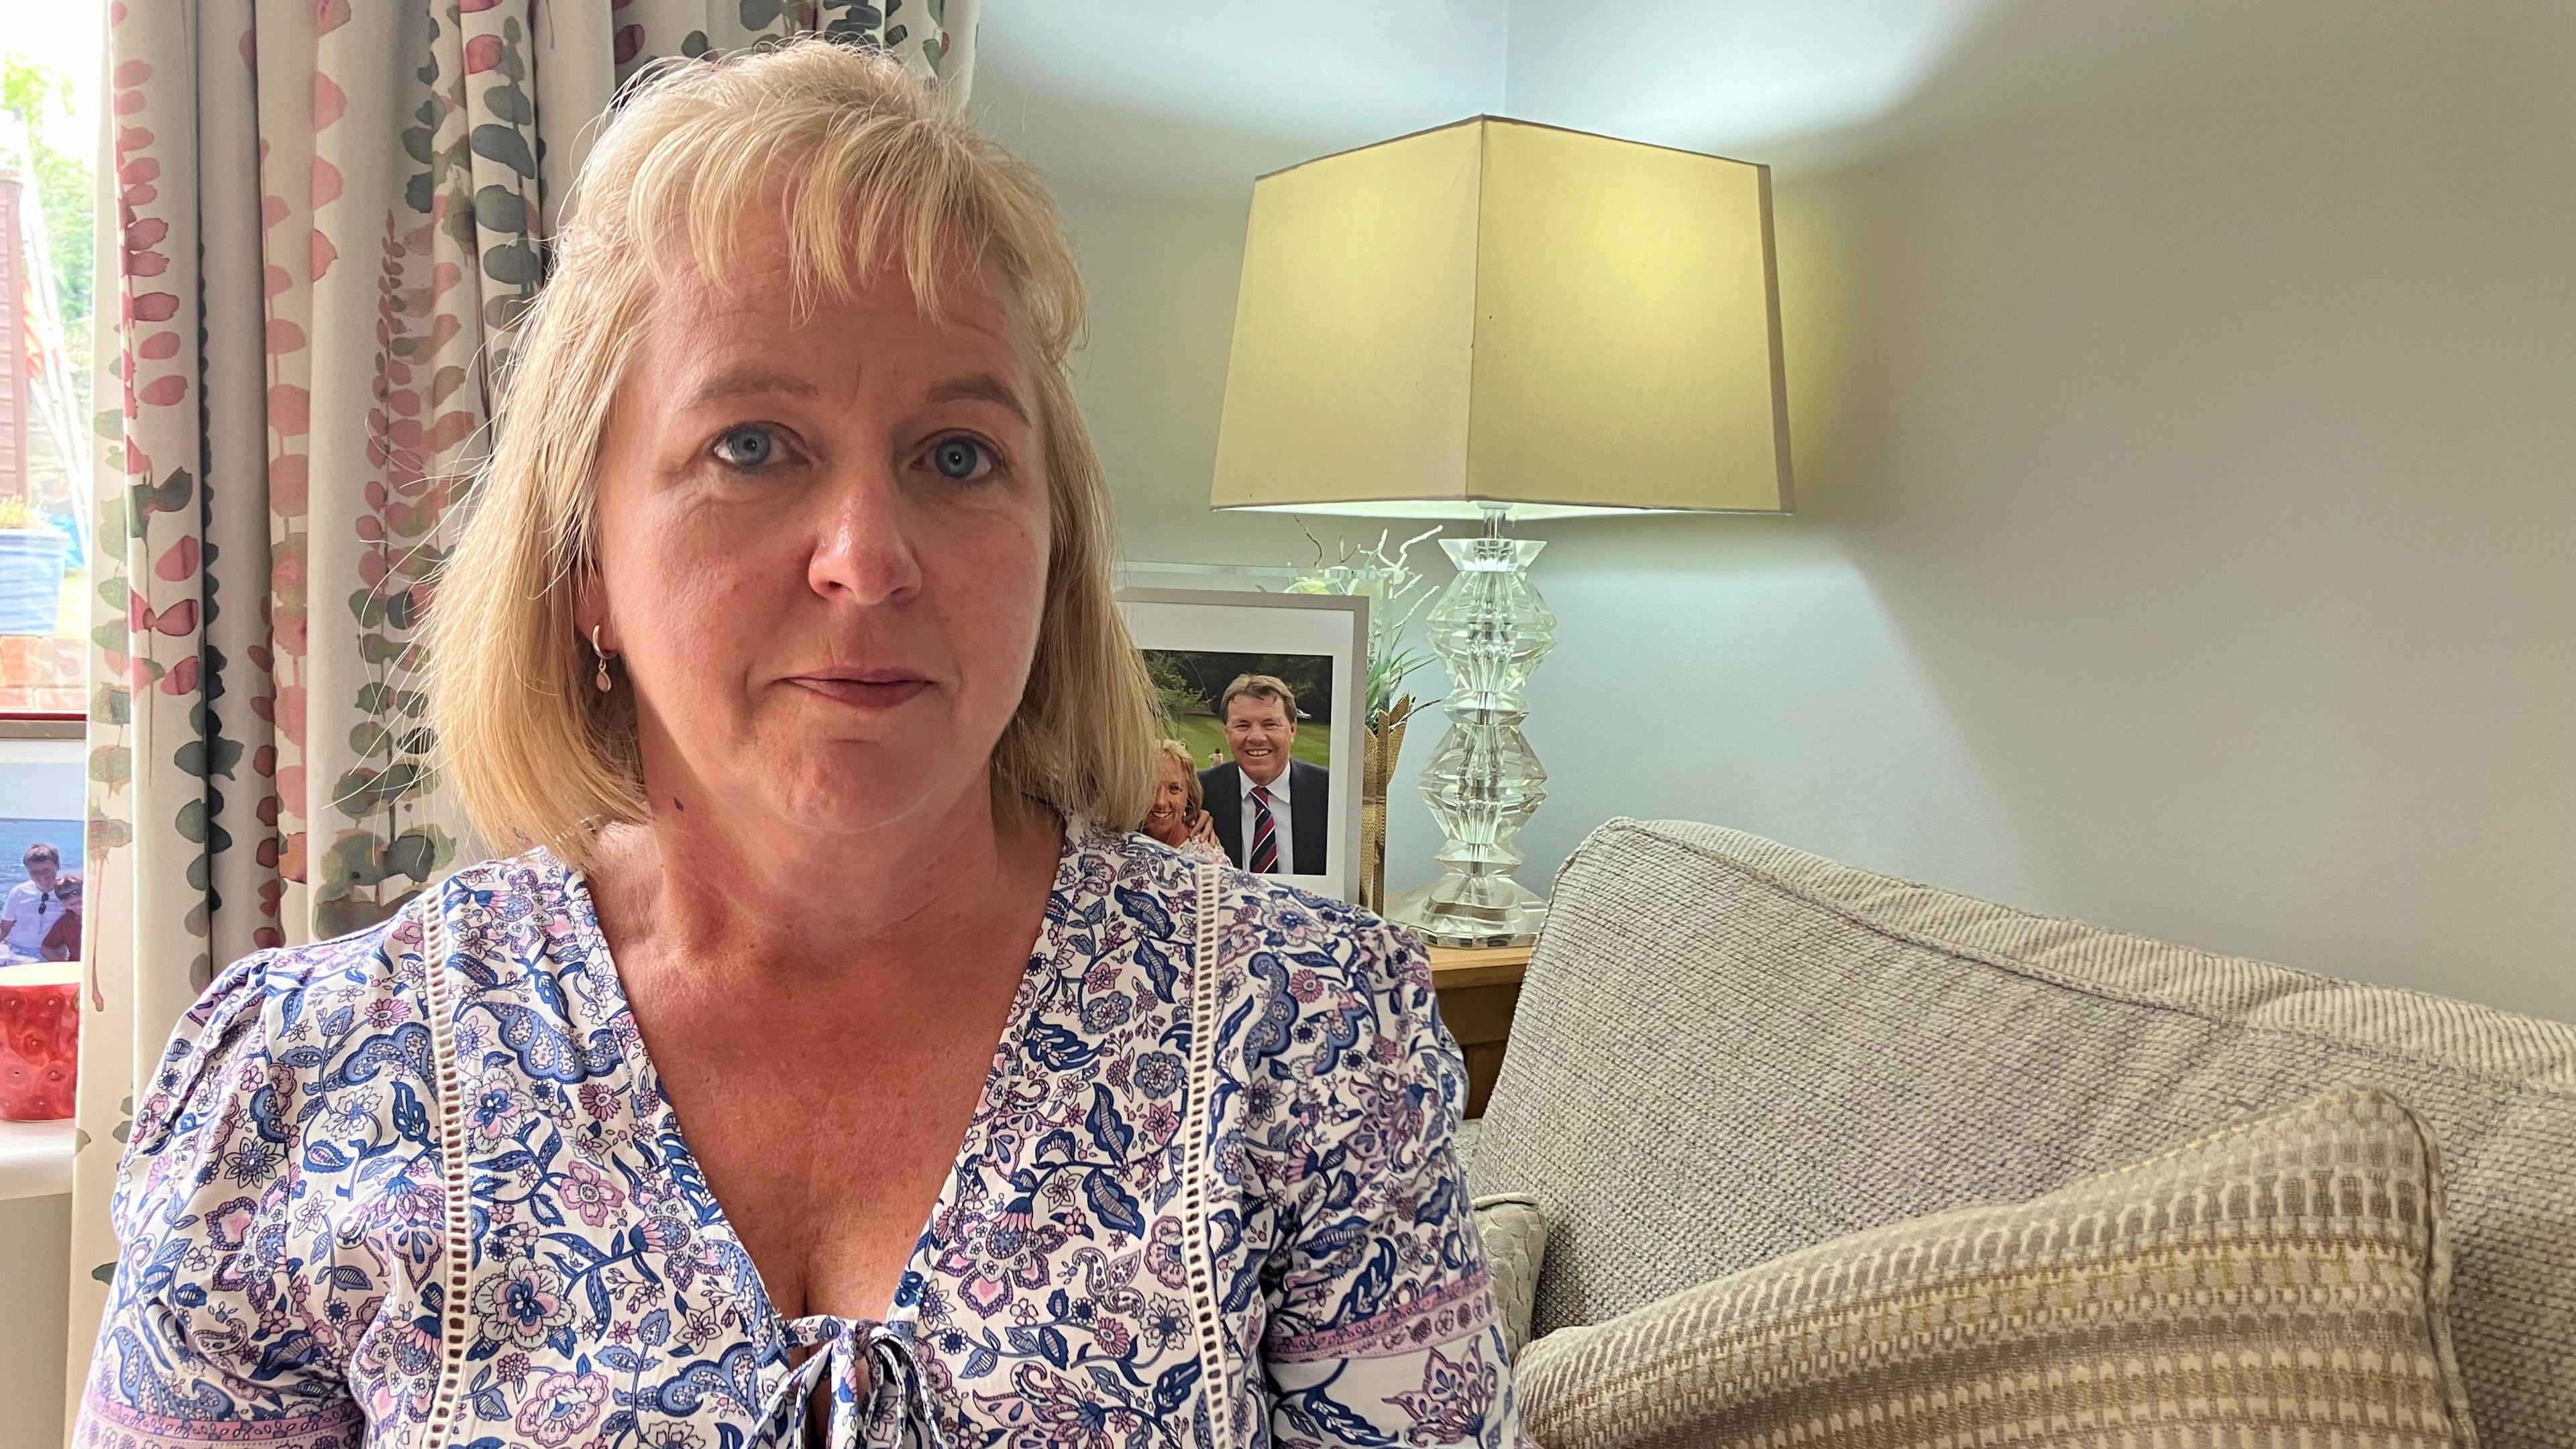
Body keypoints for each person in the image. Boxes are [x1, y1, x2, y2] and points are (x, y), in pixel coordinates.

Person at [76, 39, 1517, 1449]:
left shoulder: (1306, 1041)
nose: (867, 559)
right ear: (586, 562)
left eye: (958, 456)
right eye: (752, 445)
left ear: (1051, 549)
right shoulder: (308, 1083)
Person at [1199, 674, 1332, 875]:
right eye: (1242, 725)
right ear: (1227, 733)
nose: (1256, 737)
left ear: (1293, 730)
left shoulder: (1331, 793)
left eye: (1270, 724)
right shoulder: (1199, 794)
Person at [1144, 737, 1226, 861]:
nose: (1161, 801)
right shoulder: (1118, 842)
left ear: (1190, 795)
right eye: (1151, 788)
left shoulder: (1208, 860)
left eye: (1174, 789)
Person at [1, 843, 62, 963]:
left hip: (50, 954)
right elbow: (4, 928)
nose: (41, 876)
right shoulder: (19, 892)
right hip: (15, 951)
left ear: (57, 866)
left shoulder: (69, 892)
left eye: (46, 870)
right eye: (34, 871)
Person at [41, 872, 80, 962]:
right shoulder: (66, 922)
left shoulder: (103, 915)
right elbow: (46, 948)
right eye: (65, 896)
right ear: (62, 903)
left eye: (76, 892)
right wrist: (65, 966)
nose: (71, 898)